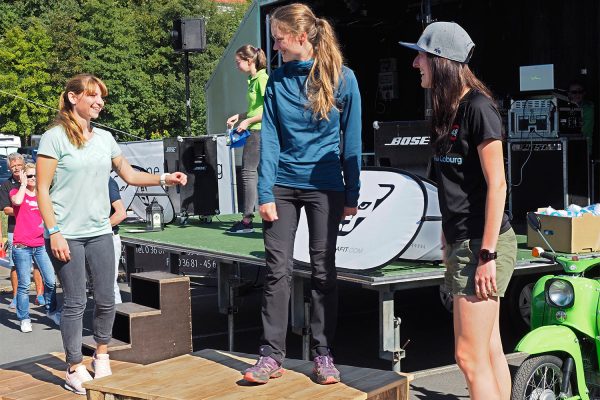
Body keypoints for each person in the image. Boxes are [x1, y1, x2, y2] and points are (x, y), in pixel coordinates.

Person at [36, 73, 187, 396]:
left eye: (102, 97)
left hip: (101, 232)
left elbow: (129, 174)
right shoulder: (54, 137)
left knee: (107, 299)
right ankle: (74, 366)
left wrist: (164, 178)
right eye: (92, 95)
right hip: (67, 234)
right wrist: (54, 232)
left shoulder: (105, 139)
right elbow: (42, 191)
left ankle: (101, 355)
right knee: (76, 301)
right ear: (73, 97)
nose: (99, 102)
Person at [243, 3, 361, 386]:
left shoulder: (343, 79)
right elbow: (271, 139)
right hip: (282, 186)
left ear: (301, 37)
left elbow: (352, 143)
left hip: (326, 187)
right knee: (278, 271)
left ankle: (323, 354)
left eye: (279, 40)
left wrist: (351, 193)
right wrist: (264, 192)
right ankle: (271, 356)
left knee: (323, 272)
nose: (274, 47)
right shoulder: (276, 80)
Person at [400, 22, 517, 400]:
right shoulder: (448, 109)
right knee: (488, 349)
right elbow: (456, 186)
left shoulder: (479, 109)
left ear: (442, 61)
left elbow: (497, 185)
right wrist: (448, 236)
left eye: (421, 56)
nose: (416, 63)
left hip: (484, 244)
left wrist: (486, 255)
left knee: (468, 357)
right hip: (465, 242)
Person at [10, 162, 59, 332]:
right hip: (22, 246)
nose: (33, 178)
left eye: (35, 175)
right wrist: (23, 184)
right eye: (29, 175)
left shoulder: (43, 194)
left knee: (51, 281)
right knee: (24, 284)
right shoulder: (16, 191)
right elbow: (16, 202)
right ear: (23, 176)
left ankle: (51, 311)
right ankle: (24, 318)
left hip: (41, 245)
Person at [225, 45, 269, 234]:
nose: (237, 66)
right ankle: (257, 218)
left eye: (238, 62)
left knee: (249, 174)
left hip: (259, 132)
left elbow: (270, 110)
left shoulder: (262, 79)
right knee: (257, 174)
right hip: (256, 130)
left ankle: (246, 222)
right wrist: (240, 116)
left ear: (249, 61)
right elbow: (255, 109)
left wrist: (248, 121)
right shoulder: (253, 80)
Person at [0, 153, 45, 309]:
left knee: (38, 264)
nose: (17, 168)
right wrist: (25, 209)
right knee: (15, 265)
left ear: (24, 165)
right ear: (9, 168)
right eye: (13, 166)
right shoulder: (7, 185)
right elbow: (6, 209)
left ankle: (40, 294)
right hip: (15, 230)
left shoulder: (34, 179)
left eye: (19, 165)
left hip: (37, 229)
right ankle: (15, 297)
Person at [108, 176, 126, 304]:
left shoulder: (107, 181)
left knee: (109, 284)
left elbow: (121, 213)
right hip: (91, 239)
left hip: (108, 238)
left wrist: (97, 229)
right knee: (98, 285)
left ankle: (118, 323)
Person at [568, 79, 595, 155]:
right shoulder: (562, 107)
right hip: (567, 147)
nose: (577, 94)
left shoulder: (589, 108)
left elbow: (584, 131)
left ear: (584, 93)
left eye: (580, 92)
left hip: (584, 147)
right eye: (574, 92)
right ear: (568, 94)